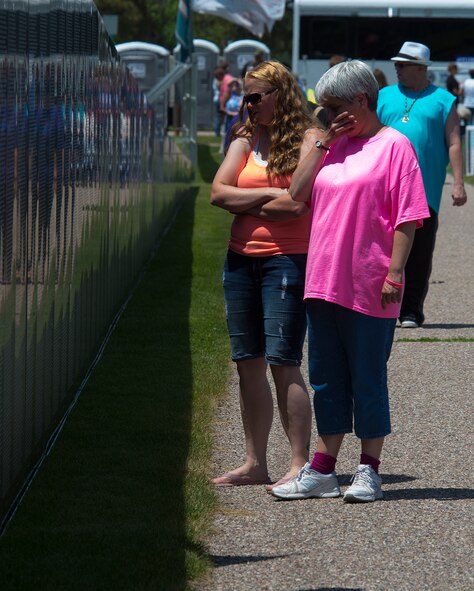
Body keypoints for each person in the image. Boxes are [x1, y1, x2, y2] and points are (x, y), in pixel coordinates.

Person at [270, 60, 430, 503]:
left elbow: (408, 217)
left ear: (361, 100)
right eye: (323, 109)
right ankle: (322, 470)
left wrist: (395, 273)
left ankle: (369, 469)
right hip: (323, 280)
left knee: (368, 377)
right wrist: (324, 141)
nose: (327, 115)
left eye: (335, 107)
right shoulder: (330, 145)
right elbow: (296, 195)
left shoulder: (395, 146)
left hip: (370, 281)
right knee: (326, 377)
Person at [210, 60, 314, 489]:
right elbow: (218, 193)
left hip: (286, 261)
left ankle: (298, 463)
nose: (248, 104)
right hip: (240, 261)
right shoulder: (244, 138)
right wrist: (272, 191)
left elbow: (297, 207)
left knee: (282, 363)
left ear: (280, 96)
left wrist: (247, 198)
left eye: (256, 97)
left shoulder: (310, 138)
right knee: (247, 364)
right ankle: (255, 463)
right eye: (245, 98)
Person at [377, 41, 467, 328]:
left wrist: (458, 183)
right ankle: (382, 307)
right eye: (397, 64)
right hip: (384, 187)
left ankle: (411, 311)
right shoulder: (383, 96)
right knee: (382, 250)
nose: (397, 69)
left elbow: (454, 142)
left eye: (402, 65)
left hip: (424, 188)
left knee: (419, 251)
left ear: (420, 68)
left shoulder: (443, 100)